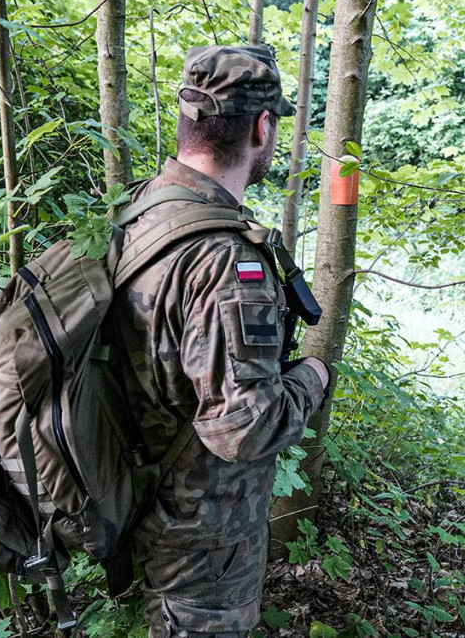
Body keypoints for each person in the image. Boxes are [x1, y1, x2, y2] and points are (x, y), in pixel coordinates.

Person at [110, 45, 330, 637]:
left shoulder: (143, 210)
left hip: (143, 498)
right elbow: (243, 428)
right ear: (263, 127)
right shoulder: (226, 260)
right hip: (203, 540)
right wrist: (313, 379)